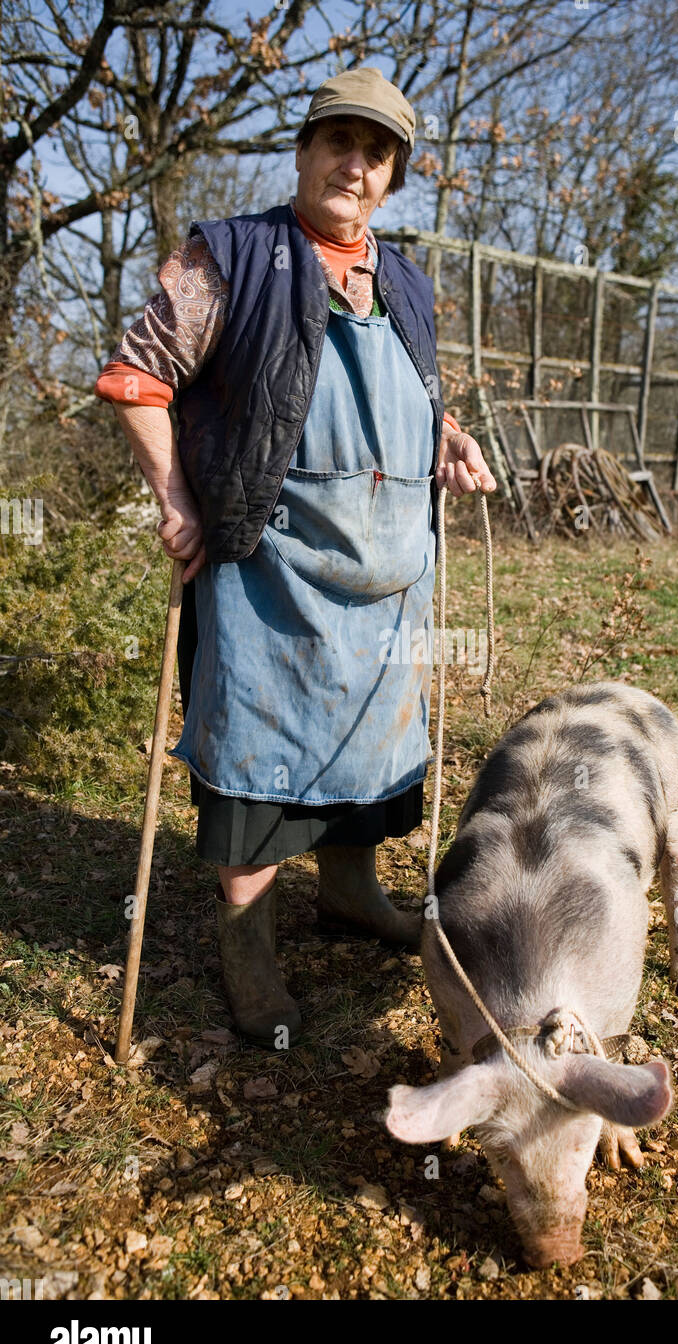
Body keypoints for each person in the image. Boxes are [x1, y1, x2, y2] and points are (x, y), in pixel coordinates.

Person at [95, 67, 497, 1049]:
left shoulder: (402, 279)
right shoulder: (230, 255)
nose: (353, 166)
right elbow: (136, 376)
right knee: (258, 755)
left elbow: (405, 391)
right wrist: (176, 498)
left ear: (391, 176)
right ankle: (247, 945)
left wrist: (444, 436)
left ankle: (350, 896)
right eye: (338, 143)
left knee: (368, 750)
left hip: (389, 573)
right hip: (267, 570)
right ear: (304, 151)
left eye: (376, 153)